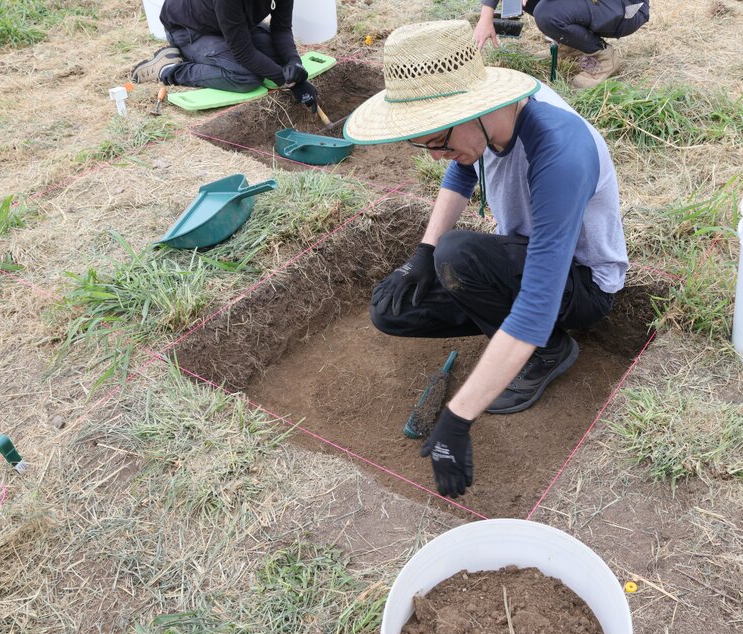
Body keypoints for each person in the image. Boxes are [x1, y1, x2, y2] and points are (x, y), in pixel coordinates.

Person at [342, 20, 627, 498]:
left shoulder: (560, 150)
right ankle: (500, 326)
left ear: (469, 110)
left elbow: (539, 300)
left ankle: (550, 351)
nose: (435, 156)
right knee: (393, 309)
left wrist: (457, 417)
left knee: (461, 255)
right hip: (517, 263)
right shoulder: (485, 125)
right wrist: (422, 253)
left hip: (579, 284)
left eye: (436, 141)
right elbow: (460, 171)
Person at [130, 0, 318, 110]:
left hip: (227, 24)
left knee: (280, 60)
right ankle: (169, 68)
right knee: (245, 77)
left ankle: (216, 54)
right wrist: (289, 83)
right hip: (189, 29)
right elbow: (244, 53)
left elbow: (282, 29)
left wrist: (295, 64)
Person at [474, 0, 650, 88]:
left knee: (547, 13)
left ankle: (603, 57)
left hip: (624, 7)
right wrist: (486, 17)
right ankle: (573, 44)